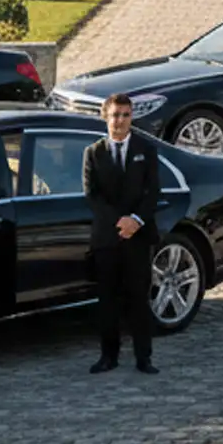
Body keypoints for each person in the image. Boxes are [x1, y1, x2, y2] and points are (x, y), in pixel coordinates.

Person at [82, 93, 161, 375]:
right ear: (106, 117)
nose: (120, 121)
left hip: (138, 236)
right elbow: (92, 195)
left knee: (139, 298)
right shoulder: (94, 153)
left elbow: (153, 191)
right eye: (116, 115)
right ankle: (108, 357)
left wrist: (136, 221)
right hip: (108, 237)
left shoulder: (145, 149)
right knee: (107, 300)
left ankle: (144, 357)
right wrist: (120, 222)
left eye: (126, 115)